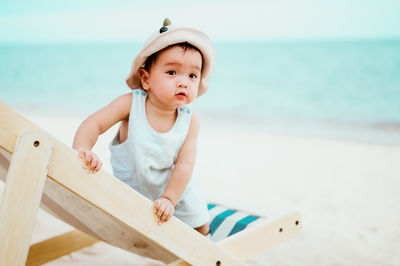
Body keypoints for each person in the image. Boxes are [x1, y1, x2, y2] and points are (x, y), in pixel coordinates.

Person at [72, 18, 215, 236]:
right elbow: (94, 123)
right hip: (133, 192)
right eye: (172, 72)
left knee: (201, 227)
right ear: (146, 79)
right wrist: (83, 148)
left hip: (177, 190)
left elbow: (185, 166)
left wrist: (169, 198)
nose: (183, 82)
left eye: (192, 75)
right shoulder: (131, 105)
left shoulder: (189, 119)